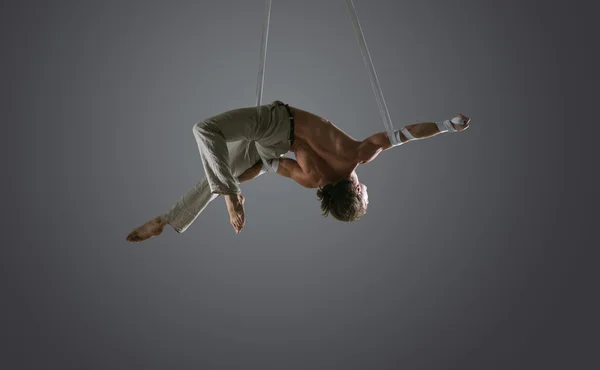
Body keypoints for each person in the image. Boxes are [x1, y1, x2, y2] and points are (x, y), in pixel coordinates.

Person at [126, 100, 470, 242]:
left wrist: (446, 125)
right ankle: (169, 219)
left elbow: (406, 134)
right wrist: (237, 180)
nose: (367, 191)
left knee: (205, 131)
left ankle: (227, 194)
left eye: (365, 196)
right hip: (270, 148)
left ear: (354, 191)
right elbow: (267, 166)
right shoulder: (313, 181)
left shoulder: (357, 155)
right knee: (218, 174)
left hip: (277, 123)